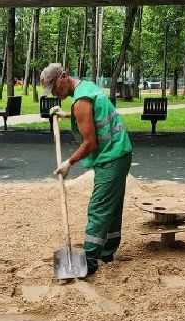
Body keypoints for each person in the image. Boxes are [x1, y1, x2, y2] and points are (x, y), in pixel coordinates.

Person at [39, 63, 133, 276]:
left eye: (54, 87)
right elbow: (93, 118)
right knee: (112, 205)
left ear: (64, 77)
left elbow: (90, 142)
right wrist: (66, 115)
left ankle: (89, 261)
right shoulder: (85, 88)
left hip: (112, 157)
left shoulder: (81, 102)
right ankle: (107, 251)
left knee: (99, 208)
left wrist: (68, 163)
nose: (53, 93)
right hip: (120, 152)